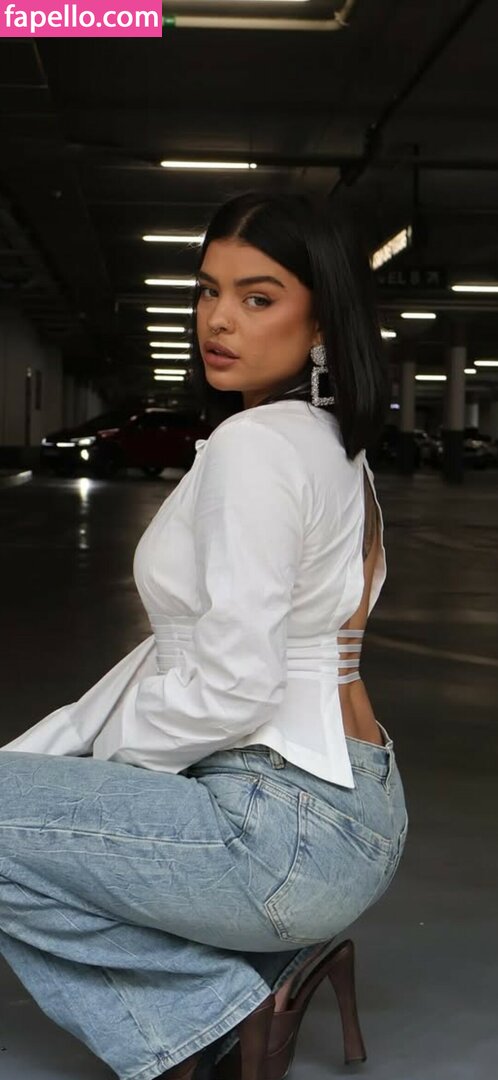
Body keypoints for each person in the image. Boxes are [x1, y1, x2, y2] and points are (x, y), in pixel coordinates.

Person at [0, 191, 408, 1080]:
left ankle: (209, 1009)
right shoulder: (336, 445)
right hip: (357, 809)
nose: (218, 319)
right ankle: (255, 981)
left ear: (323, 323)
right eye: (208, 290)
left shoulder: (258, 446)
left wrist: (109, 770)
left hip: (279, 825)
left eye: (258, 297)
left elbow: (232, 684)